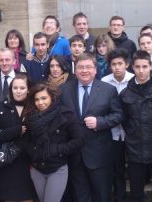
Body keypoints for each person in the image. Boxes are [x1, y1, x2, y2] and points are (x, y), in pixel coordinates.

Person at [60, 53, 123, 202]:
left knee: (102, 196)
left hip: (100, 155)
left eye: (88, 67)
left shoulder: (108, 90)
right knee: (80, 198)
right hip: (74, 156)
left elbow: (119, 115)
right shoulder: (63, 90)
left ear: (95, 70)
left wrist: (100, 122)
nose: (84, 70)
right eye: (80, 67)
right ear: (75, 70)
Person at [119, 50, 152, 202]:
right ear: (132, 68)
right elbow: (123, 120)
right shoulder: (125, 94)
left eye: (145, 67)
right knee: (136, 193)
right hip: (135, 151)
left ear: (151, 67)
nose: (141, 71)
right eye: (137, 67)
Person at [23, 83, 84, 202]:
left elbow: (79, 139)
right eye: (37, 99)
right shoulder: (31, 116)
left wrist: (57, 149)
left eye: (44, 98)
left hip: (58, 167)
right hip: (37, 168)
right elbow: (25, 140)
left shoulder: (66, 114)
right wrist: (34, 152)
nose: (40, 103)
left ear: (52, 97)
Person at [0, 73, 37, 202]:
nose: (18, 91)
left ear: (28, 89)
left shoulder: (35, 107)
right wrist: (15, 131)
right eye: (15, 88)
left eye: (22, 88)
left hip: (29, 163)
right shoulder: (1, 107)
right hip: (7, 163)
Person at [101, 49, 134, 202]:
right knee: (117, 169)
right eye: (114, 64)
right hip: (113, 133)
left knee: (135, 170)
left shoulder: (134, 80)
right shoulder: (104, 82)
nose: (117, 67)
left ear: (126, 64)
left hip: (132, 133)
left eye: (120, 63)